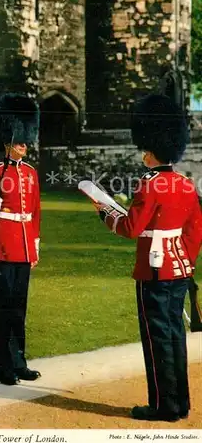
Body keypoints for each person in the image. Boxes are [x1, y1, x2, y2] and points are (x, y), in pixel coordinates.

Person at [93, 94, 202, 421]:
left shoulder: (150, 185)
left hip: (154, 272)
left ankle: (163, 406)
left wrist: (105, 212)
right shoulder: (185, 185)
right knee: (175, 336)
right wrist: (187, 262)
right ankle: (180, 402)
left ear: (152, 152)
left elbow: (130, 227)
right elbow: (195, 231)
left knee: (157, 341)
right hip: (180, 269)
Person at [0, 92, 41, 386]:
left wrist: (35, 246)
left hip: (24, 246)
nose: (25, 145)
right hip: (2, 247)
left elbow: (35, 212)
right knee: (3, 307)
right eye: (20, 141)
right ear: (8, 143)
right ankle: (2, 364)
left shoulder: (31, 173)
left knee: (19, 308)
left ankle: (19, 361)